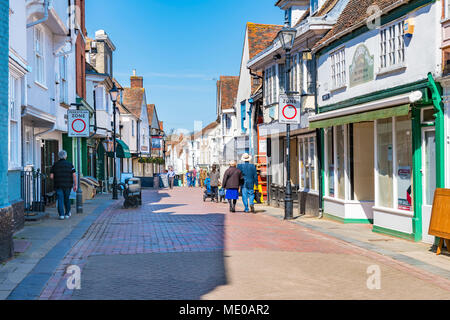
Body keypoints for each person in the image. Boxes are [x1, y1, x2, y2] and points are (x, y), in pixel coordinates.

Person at [50, 150, 77, 220]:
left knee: (60, 199)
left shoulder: (55, 165)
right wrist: (75, 185)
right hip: (68, 185)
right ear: (66, 156)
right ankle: (67, 213)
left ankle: (61, 215)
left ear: (59, 156)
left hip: (58, 185)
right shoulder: (70, 164)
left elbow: (51, 176)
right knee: (67, 199)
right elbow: (74, 176)